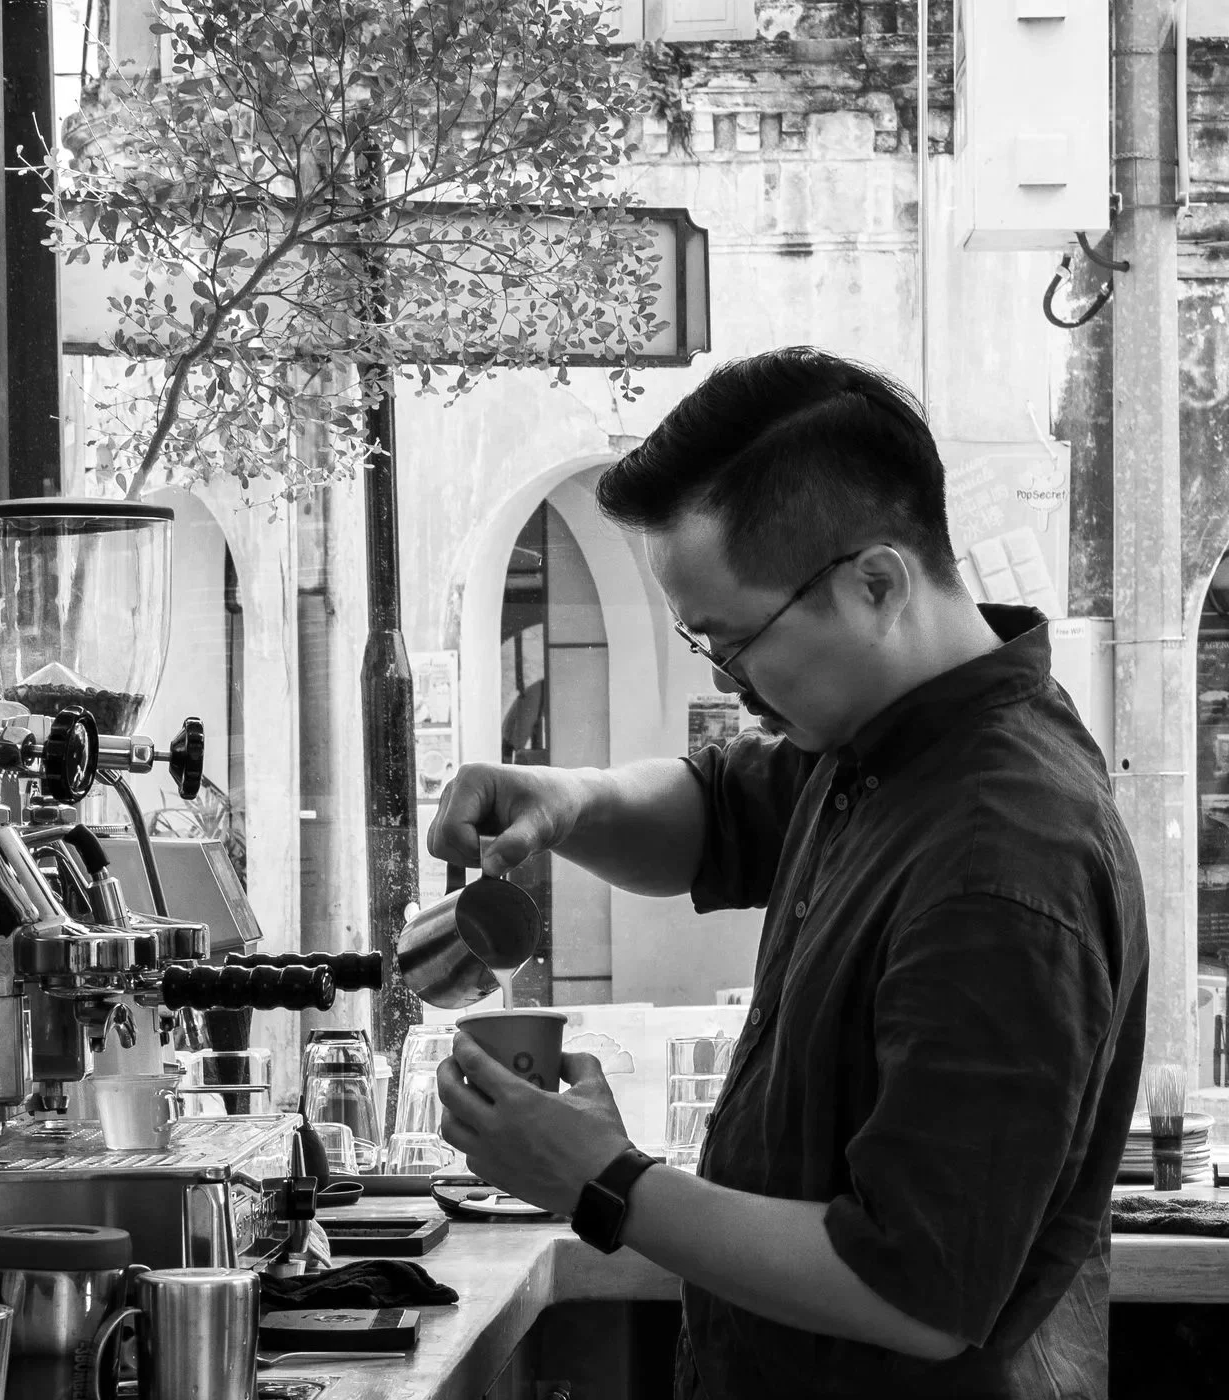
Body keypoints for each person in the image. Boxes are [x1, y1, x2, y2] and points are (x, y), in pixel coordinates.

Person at [430, 347, 1148, 1399]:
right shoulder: (874, 745)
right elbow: (715, 810)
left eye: (734, 641)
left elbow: (912, 1289)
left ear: (875, 582)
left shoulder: (1003, 857)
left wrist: (602, 1175)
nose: (729, 684)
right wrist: (568, 800)